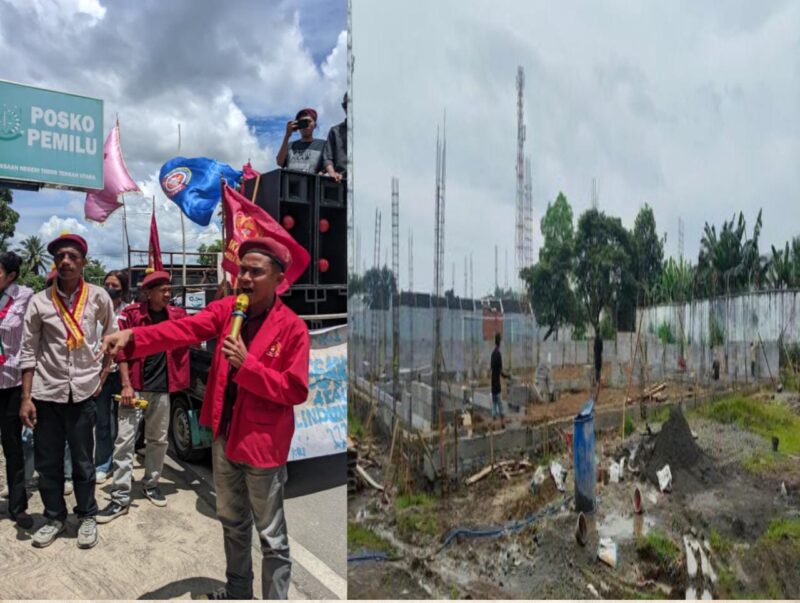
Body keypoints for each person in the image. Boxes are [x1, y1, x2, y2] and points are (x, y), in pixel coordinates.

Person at [102, 237, 310, 600]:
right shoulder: (228, 309)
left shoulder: (292, 328)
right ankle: (238, 592)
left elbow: (294, 390)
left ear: (279, 279)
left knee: (272, 538)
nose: (245, 278)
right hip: (224, 439)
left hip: (262, 448)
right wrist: (132, 336)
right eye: (242, 270)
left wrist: (247, 366)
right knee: (232, 523)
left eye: (255, 272)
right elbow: (182, 330)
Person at [19, 234, 116, 549]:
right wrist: (26, 398)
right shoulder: (39, 301)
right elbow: (28, 351)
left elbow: (112, 337)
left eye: (72, 256)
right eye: (60, 256)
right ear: (54, 262)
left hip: (84, 393)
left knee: (84, 461)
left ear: (83, 262)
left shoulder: (99, 297)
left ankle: (87, 515)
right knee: (48, 463)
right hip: (47, 393)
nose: (66, 261)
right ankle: (54, 517)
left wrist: (103, 375)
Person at [97, 270, 188, 522]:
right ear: (148, 293)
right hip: (134, 387)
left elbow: (197, 329)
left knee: (158, 440)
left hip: (162, 388)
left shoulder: (177, 315)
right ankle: (120, 496)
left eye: (169, 290)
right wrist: (126, 385)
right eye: (163, 290)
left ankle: (151, 484)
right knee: (124, 441)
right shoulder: (132, 315)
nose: (168, 294)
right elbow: (121, 352)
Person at [0, 251, 35, 529]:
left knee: (12, 446)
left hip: (10, 383)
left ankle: (18, 507)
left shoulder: (25, 297)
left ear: (11, 276)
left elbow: (31, 340)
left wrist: (27, 393)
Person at [94, 270, 130, 483]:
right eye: (107, 284)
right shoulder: (96, 310)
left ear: (123, 289)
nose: (109, 288)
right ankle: (102, 464)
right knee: (102, 422)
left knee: (123, 423)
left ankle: (120, 463)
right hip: (100, 374)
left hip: (123, 374)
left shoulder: (128, 312)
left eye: (115, 285)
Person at [275, 108, 325, 174]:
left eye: (309, 121)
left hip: (312, 180)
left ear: (315, 125)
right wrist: (287, 136)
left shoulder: (323, 145)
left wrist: (321, 173)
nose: (306, 125)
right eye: (302, 122)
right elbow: (279, 162)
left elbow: (330, 163)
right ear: (298, 126)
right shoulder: (290, 145)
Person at [322, 93, 347, 182]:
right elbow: (328, 158)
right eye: (346, 105)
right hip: (341, 181)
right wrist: (332, 173)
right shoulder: (334, 131)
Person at [490, 333, 510, 425]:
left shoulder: (493, 353)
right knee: (499, 401)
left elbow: (492, 368)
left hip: (492, 380)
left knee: (494, 401)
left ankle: (494, 418)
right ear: (500, 342)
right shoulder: (498, 354)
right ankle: (502, 419)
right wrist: (507, 376)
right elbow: (501, 372)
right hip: (497, 381)